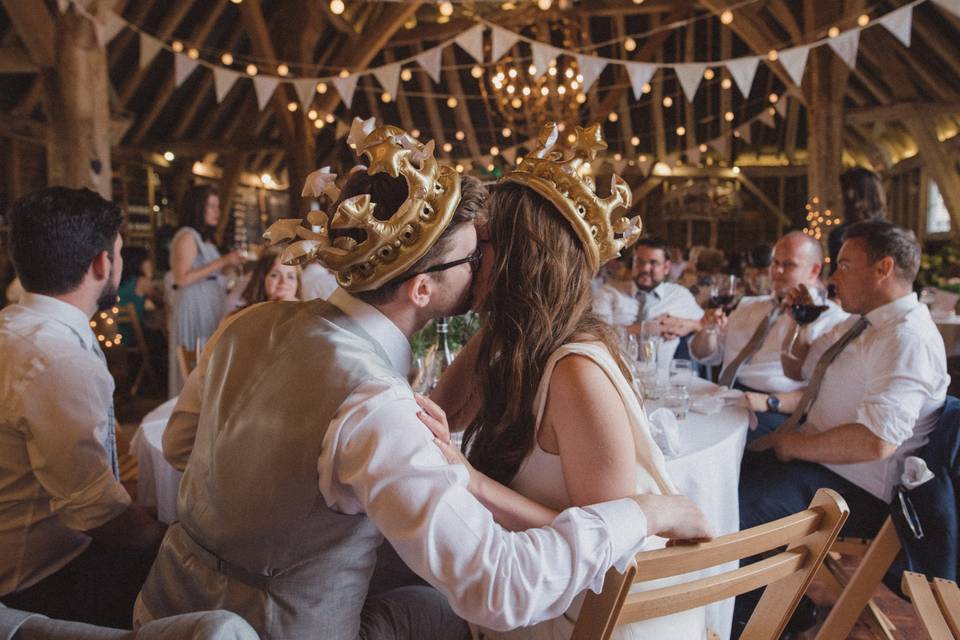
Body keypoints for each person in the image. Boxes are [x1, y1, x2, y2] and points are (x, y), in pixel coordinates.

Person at [137, 120, 711, 640]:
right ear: (421, 289)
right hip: (283, 629)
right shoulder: (376, 405)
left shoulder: (249, 323)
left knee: (421, 589)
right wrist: (650, 511)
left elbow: (180, 445)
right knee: (440, 605)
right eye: (473, 254)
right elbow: (500, 590)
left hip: (163, 610)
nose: (484, 263)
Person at [422, 124, 708, 639]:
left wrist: (472, 482)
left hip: (597, 618)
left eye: (479, 244)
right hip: (550, 590)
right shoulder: (508, 342)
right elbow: (434, 422)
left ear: (517, 259)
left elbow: (608, 539)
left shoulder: (575, 370)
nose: (466, 257)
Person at [733, 221, 949, 636]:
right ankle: (786, 612)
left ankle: (751, 624)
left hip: (857, 488)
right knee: (721, 474)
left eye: (845, 265)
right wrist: (799, 324)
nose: (834, 276)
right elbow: (800, 369)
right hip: (822, 466)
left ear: (883, 268)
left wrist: (793, 446)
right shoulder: (861, 323)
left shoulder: (907, 338)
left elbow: (877, 441)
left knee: (735, 512)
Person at [0, 187, 166, 628]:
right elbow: (94, 511)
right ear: (101, 263)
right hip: (38, 582)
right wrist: (166, 536)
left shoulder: (16, 326)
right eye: (118, 252)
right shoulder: (57, 357)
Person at [689, 232, 848, 440]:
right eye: (774, 262)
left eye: (789, 265)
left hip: (771, 409)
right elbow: (706, 356)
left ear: (814, 270)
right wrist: (708, 330)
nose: (776, 271)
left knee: (700, 438)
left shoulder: (831, 320)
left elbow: (822, 393)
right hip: (723, 397)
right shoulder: (747, 305)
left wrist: (766, 402)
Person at [167, 185, 243, 396]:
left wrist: (231, 264)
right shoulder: (187, 236)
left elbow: (212, 274)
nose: (216, 212)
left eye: (217, 206)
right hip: (194, 305)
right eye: (211, 206)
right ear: (197, 208)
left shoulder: (205, 238)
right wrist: (223, 260)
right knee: (199, 357)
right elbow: (182, 278)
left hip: (209, 301)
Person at [595, 237, 705, 367]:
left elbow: (704, 324)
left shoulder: (679, 295)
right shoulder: (609, 293)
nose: (645, 268)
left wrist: (687, 325)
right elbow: (596, 336)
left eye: (654, 263)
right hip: (616, 375)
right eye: (639, 262)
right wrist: (652, 328)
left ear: (666, 267)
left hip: (662, 380)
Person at [827, 167, 886, 274]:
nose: (840, 197)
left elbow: (836, 278)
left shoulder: (839, 235)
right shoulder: (891, 233)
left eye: (843, 191)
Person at [223, 250, 302, 316]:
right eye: (274, 275)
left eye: (291, 277)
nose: (284, 282)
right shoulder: (239, 317)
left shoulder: (308, 316)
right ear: (261, 279)